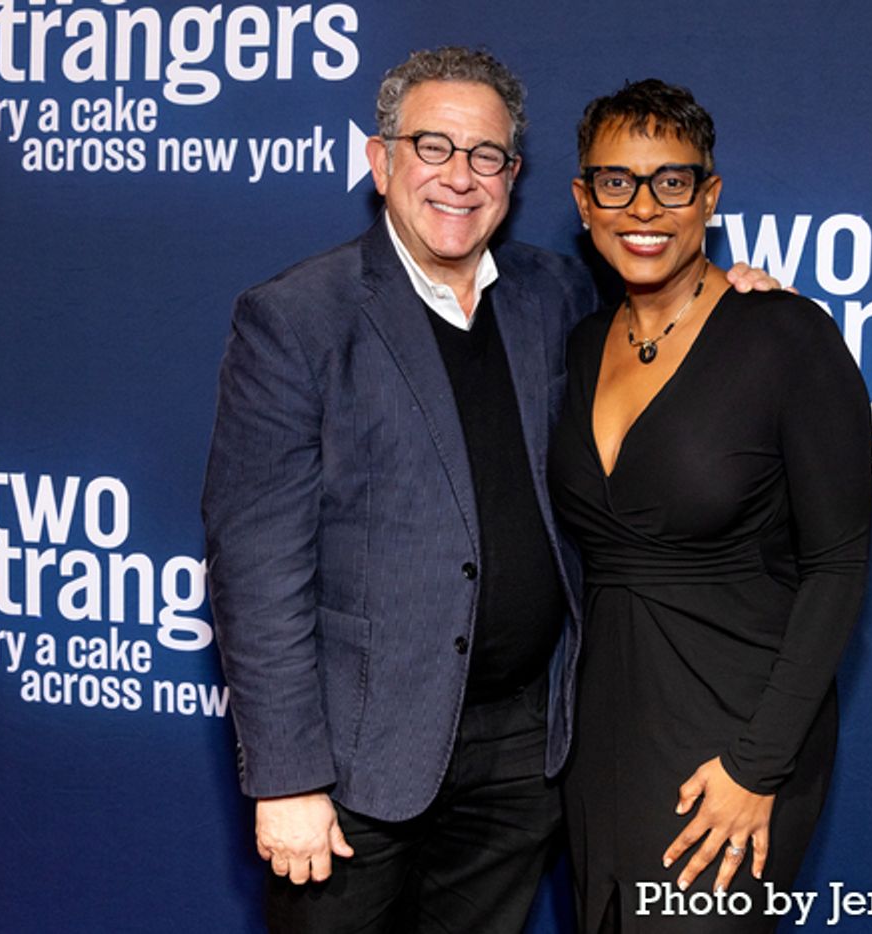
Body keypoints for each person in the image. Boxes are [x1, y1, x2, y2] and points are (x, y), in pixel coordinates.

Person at [202, 49, 780, 933]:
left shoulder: (554, 294)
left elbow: (665, 302)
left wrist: (733, 295)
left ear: (513, 176)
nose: (459, 179)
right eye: (433, 147)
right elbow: (255, 570)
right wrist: (288, 778)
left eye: (487, 157)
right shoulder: (297, 319)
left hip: (523, 754)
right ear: (379, 158)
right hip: (358, 764)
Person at [548, 80, 872, 933]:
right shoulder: (580, 343)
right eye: (616, 182)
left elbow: (838, 567)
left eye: (672, 181)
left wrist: (758, 767)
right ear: (584, 201)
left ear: (710, 197)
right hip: (601, 740)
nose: (643, 206)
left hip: (733, 743)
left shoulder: (787, 338)